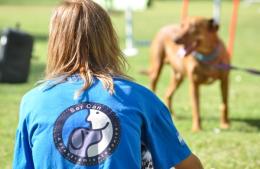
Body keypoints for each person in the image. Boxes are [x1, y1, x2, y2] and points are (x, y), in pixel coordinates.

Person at [12, 0, 204, 169]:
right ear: (109, 39)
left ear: (55, 43)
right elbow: (190, 166)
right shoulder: (140, 98)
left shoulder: (32, 101)